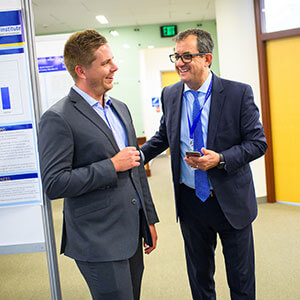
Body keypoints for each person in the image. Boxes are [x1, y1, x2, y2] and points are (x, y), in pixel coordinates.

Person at [141, 28, 267, 300]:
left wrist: (220, 159)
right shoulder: (171, 94)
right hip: (191, 202)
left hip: (230, 201)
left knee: (241, 279)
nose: (179, 62)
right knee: (199, 278)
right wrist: (139, 157)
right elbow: (165, 135)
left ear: (207, 58)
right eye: (176, 55)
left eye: (187, 55)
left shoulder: (237, 93)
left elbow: (258, 143)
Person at [38, 29, 159, 300]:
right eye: (105, 63)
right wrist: (111, 166)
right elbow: (55, 183)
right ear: (81, 70)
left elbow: (136, 167)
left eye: (112, 60)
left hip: (130, 233)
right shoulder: (57, 118)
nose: (114, 67)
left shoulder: (120, 108)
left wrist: (148, 219)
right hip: (97, 240)